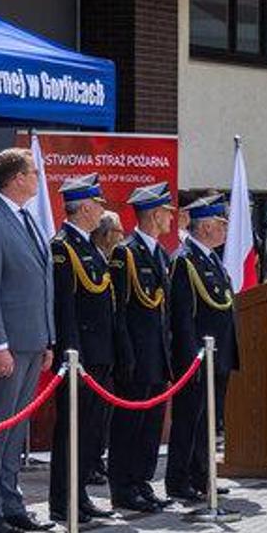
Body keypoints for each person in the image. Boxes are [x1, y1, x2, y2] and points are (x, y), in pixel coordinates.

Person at [0, 148, 56, 533]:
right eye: (33, 172)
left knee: (16, 429)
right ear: (17, 177)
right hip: (6, 346)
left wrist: (47, 336)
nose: (38, 179)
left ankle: (11, 501)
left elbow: (40, 281)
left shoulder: (27, 220)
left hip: (32, 340)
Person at [50, 174, 121, 523]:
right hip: (79, 356)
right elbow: (65, 307)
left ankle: (80, 495)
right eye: (99, 205)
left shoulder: (90, 246)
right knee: (71, 432)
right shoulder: (63, 247)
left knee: (90, 431)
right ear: (86, 207)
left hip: (99, 353)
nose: (102, 211)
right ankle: (63, 500)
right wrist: (71, 354)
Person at [106, 183, 178, 513]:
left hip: (157, 354)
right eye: (166, 213)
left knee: (151, 424)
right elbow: (119, 310)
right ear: (153, 214)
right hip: (136, 355)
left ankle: (142, 481)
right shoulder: (126, 253)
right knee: (129, 424)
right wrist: (125, 355)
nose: (171, 219)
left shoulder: (161, 254)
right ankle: (123, 487)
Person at [165, 195, 239, 501]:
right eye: (221, 224)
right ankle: (179, 480)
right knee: (188, 421)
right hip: (196, 358)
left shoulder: (210, 259)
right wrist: (190, 357)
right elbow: (182, 315)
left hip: (217, 354)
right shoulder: (184, 261)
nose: (225, 230)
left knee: (209, 420)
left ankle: (203, 476)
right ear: (206, 227)